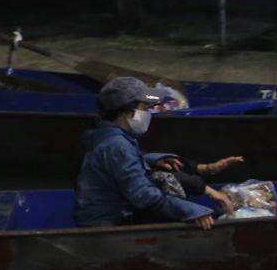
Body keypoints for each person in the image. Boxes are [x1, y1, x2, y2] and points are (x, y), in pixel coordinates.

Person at [73, 77, 216, 230]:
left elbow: (117, 162)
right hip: (107, 223)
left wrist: (152, 160)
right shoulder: (118, 145)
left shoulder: (103, 134)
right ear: (127, 113)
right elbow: (142, 195)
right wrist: (191, 210)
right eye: (144, 108)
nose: (148, 113)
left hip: (97, 216)